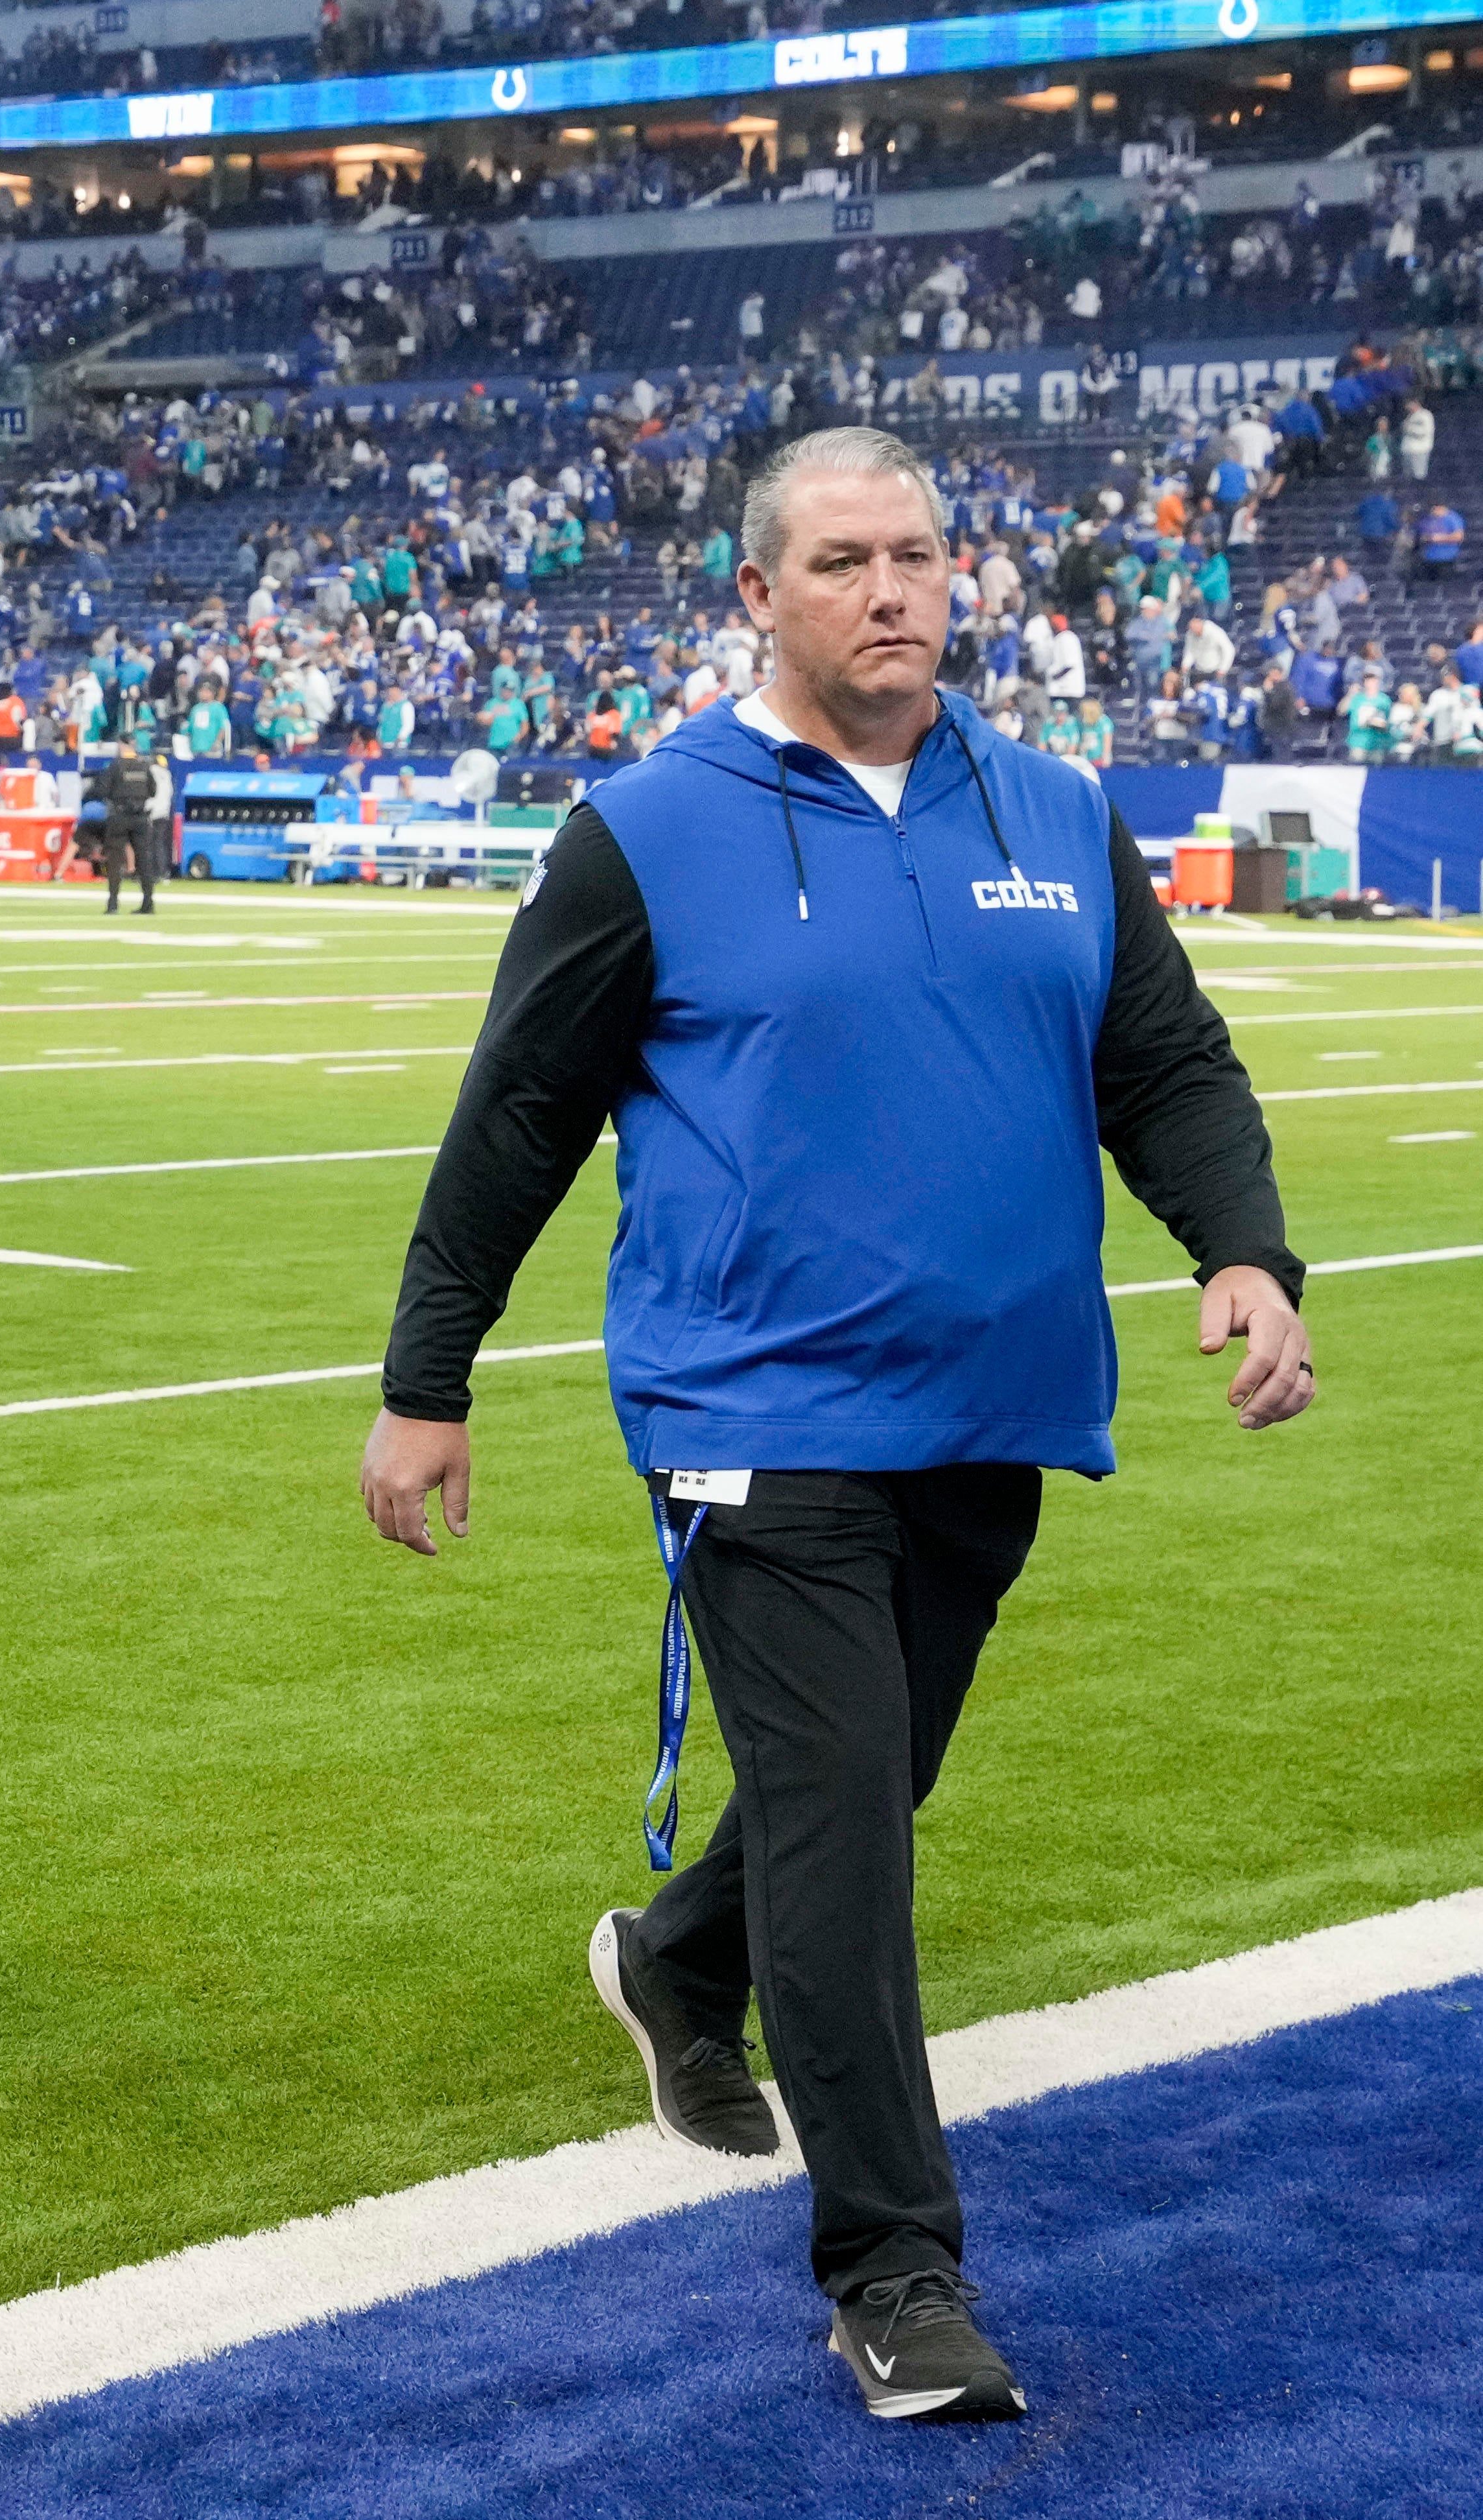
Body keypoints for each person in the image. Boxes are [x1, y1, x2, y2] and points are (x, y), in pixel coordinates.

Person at [362, 427, 1310, 2432]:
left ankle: (673, 1960)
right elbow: (513, 1111)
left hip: (991, 1407)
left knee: (856, 1793)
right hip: (751, 1412)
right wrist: (424, 1375)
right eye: (839, 561)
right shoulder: (644, 826)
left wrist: (1240, 1243)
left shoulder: (1053, 806)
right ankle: (892, 2261)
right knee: (845, 1841)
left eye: (916, 555)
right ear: (755, 596)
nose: (888, 590)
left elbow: (1162, 1055)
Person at [91, 742, 165, 915]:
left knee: (115, 861)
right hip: (141, 817)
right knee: (144, 860)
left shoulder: (115, 766)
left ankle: (113, 904)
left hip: (120, 816)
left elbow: (102, 790)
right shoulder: (144, 766)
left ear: (122, 747)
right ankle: (148, 903)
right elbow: (153, 791)